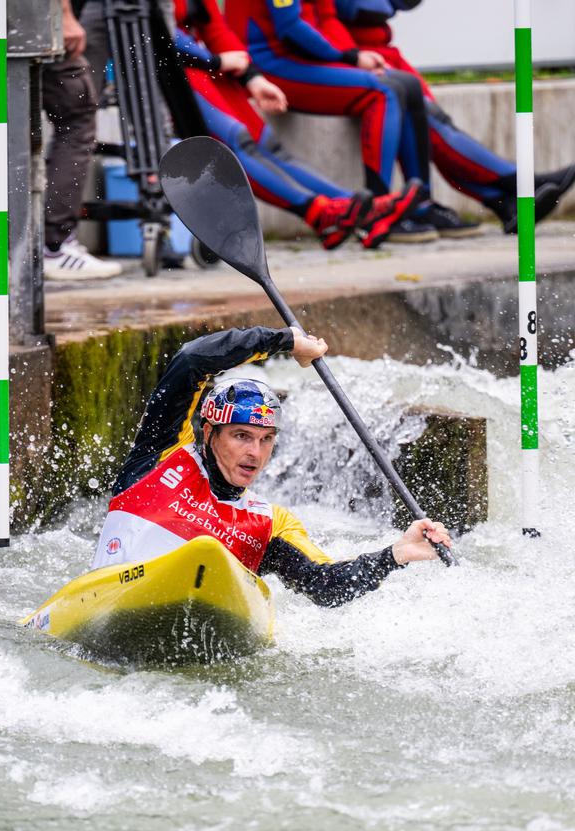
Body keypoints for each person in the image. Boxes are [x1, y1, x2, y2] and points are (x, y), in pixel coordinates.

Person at [93, 326, 452, 606]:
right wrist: (284, 341)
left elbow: (325, 586)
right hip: (107, 599)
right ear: (209, 433)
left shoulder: (269, 523)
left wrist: (397, 554)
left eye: (266, 439)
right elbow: (191, 359)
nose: (255, 452)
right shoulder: (162, 455)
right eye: (241, 436)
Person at [172, 0, 425, 250]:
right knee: (236, 141)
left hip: (207, 65)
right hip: (175, 71)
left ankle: (360, 209)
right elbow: (158, 35)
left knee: (268, 144)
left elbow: (216, 28)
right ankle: (320, 212)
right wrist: (215, 61)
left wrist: (251, 77)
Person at [224, 0, 481, 242]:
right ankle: (376, 213)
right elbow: (290, 29)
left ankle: (419, 204)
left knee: (407, 83)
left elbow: (326, 18)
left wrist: (351, 54)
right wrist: (348, 57)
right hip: (270, 63)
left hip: (296, 57)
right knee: (384, 91)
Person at [330, 0, 575, 233]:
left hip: (377, 52)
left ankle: (505, 200)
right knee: (430, 123)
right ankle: (515, 186)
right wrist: (353, 53)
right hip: (351, 54)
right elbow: (353, 10)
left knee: (436, 121)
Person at [42, 0, 123, 280]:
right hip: (37, 15)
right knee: (77, 115)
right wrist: (62, 13)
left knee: (8, 118)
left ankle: (15, 246)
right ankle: (54, 246)